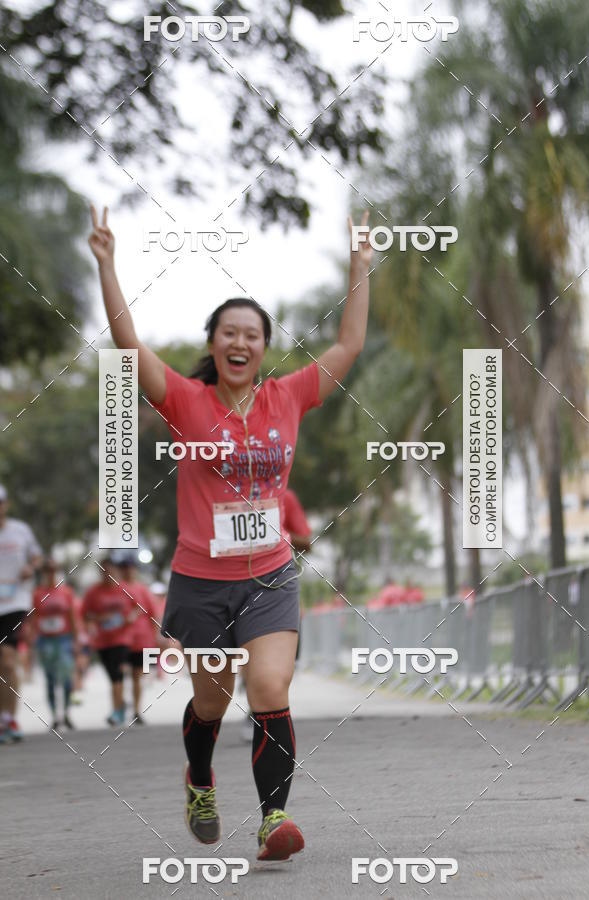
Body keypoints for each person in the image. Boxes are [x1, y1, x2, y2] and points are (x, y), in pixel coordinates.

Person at [88, 203, 371, 860]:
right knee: (211, 705)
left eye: (253, 334)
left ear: (264, 349)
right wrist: (108, 265)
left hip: (269, 575)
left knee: (270, 688)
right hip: (200, 580)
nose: (241, 343)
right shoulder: (186, 400)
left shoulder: (289, 397)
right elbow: (128, 348)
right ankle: (200, 777)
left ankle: (274, 821)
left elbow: (349, 345)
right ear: (214, 343)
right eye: (229, 333)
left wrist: (360, 266)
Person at [239, 488, 312, 742]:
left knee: (269, 663)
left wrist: (275, 534)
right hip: (227, 585)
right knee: (244, 658)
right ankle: (255, 704)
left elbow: (306, 541)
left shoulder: (284, 496)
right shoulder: (221, 490)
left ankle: (260, 712)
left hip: (272, 586)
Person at [0, 483, 43, 743]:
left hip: (15, 602)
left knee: (7, 659)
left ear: (6, 504)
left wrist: (31, 567)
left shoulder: (20, 530)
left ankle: (11, 718)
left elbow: (37, 557)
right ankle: (2, 717)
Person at [81, 557, 137, 725]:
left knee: (116, 673)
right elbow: (85, 614)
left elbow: (138, 608)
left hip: (122, 638)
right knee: (113, 676)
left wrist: (130, 618)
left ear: (116, 571)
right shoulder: (93, 592)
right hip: (103, 640)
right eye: (103, 571)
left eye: (110, 570)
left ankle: (116, 712)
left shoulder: (125, 589)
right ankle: (120, 705)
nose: (107, 574)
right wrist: (98, 618)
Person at [32, 559, 79, 731]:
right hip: (46, 639)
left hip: (63, 638)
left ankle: (66, 713)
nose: (50, 574)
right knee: (50, 678)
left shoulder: (66, 592)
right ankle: (54, 716)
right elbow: (33, 618)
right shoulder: (37, 593)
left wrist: (76, 639)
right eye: (47, 570)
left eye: (53, 570)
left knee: (66, 678)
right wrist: (32, 641)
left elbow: (72, 616)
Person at [115, 554, 161, 725]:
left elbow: (153, 614)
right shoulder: (116, 588)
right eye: (124, 568)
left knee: (136, 675)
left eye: (130, 567)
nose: (128, 571)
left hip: (140, 639)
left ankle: (136, 709)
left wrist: (156, 635)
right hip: (119, 638)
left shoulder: (142, 589)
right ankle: (118, 708)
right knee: (118, 675)